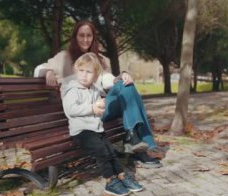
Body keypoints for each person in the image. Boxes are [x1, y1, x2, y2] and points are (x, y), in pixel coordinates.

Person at [35, 20, 163, 168]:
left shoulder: (98, 60)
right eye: (81, 35)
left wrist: (120, 77)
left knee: (126, 85)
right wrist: (48, 71)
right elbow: (39, 68)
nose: (85, 39)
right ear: (75, 36)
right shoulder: (64, 57)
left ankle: (133, 139)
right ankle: (136, 144)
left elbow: (106, 80)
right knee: (128, 94)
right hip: (81, 112)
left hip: (100, 108)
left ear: (93, 37)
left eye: (89, 35)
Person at [61, 52, 143, 196]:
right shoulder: (72, 89)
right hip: (81, 132)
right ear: (75, 71)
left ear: (95, 75)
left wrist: (102, 105)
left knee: (110, 151)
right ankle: (110, 181)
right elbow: (70, 110)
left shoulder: (93, 89)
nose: (84, 75)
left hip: (96, 130)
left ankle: (121, 175)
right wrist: (92, 108)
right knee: (102, 151)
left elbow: (106, 96)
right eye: (81, 71)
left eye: (89, 72)